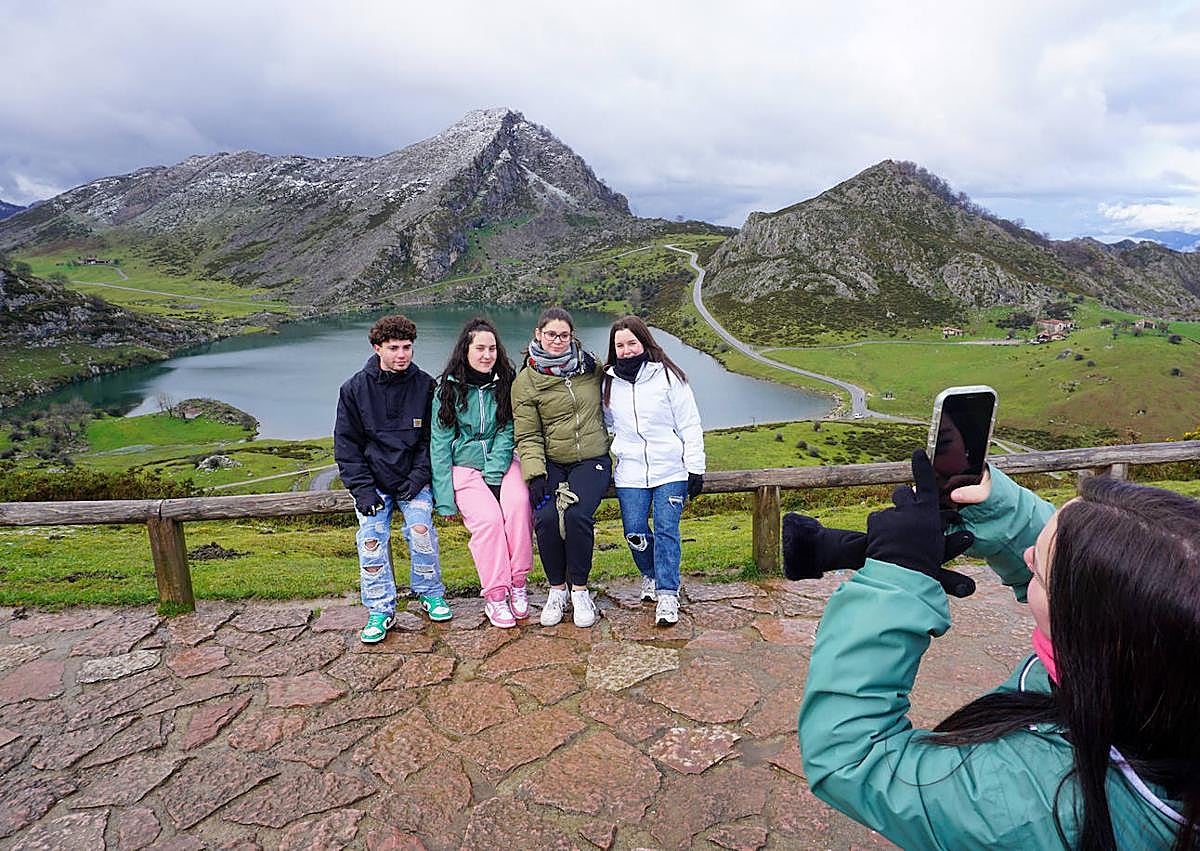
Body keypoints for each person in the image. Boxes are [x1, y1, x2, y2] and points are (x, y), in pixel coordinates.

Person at [798, 450, 1200, 849]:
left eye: (1040, 571)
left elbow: (852, 758)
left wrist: (896, 579)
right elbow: (1116, 583)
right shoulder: (1161, 670)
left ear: (1098, 632)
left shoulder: (1034, 803)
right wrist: (1000, 509)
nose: (1028, 558)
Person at [334, 314, 452, 644]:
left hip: (411, 481)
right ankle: (380, 609)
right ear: (377, 348)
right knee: (371, 539)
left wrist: (417, 479)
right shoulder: (354, 389)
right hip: (373, 484)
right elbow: (346, 445)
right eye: (393, 348)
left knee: (420, 530)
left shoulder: (426, 385)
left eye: (407, 347)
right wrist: (363, 490)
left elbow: (432, 440)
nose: (402, 354)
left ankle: (430, 593)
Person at [602, 315, 705, 626]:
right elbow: (605, 425)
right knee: (634, 531)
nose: (626, 349)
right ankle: (650, 574)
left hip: (670, 470)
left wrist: (695, 467)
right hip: (630, 472)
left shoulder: (669, 376)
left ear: (644, 342)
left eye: (632, 342)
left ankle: (668, 593)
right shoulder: (607, 382)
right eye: (620, 345)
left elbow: (689, 423)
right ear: (614, 349)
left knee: (665, 530)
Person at [430, 317, 533, 629]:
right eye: (480, 348)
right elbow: (439, 445)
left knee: (518, 507)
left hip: (501, 463)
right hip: (463, 469)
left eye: (492, 348)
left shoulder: (505, 384)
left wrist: (495, 471)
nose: (487, 355)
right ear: (466, 350)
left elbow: (507, 430)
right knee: (488, 521)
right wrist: (445, 500)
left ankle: (518, 583)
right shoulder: (447, 390)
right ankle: (496, 594)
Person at [511, 306, 610, 628]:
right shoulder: (525, 382)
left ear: (572, 337)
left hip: (592, 458)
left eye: (564, 335)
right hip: (551, 461)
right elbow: (527, 434)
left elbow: (623, 371)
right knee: (547, 517)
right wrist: (535, 473)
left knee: (579, 514)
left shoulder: (589, 366)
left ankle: (580, 590)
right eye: (551, 334)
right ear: (538, 334)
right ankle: (557, 590)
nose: (557, 340)